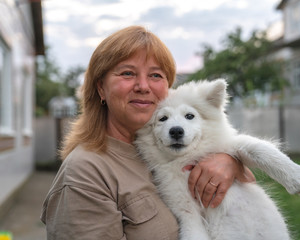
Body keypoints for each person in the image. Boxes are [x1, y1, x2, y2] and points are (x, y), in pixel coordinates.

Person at [41, 25, 255, 240]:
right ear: (100, 88)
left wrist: (230, 161)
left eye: (155, 75)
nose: (143, 86)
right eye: (127, 73)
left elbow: (246, 199)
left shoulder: (168, 147)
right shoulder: (85, 174)